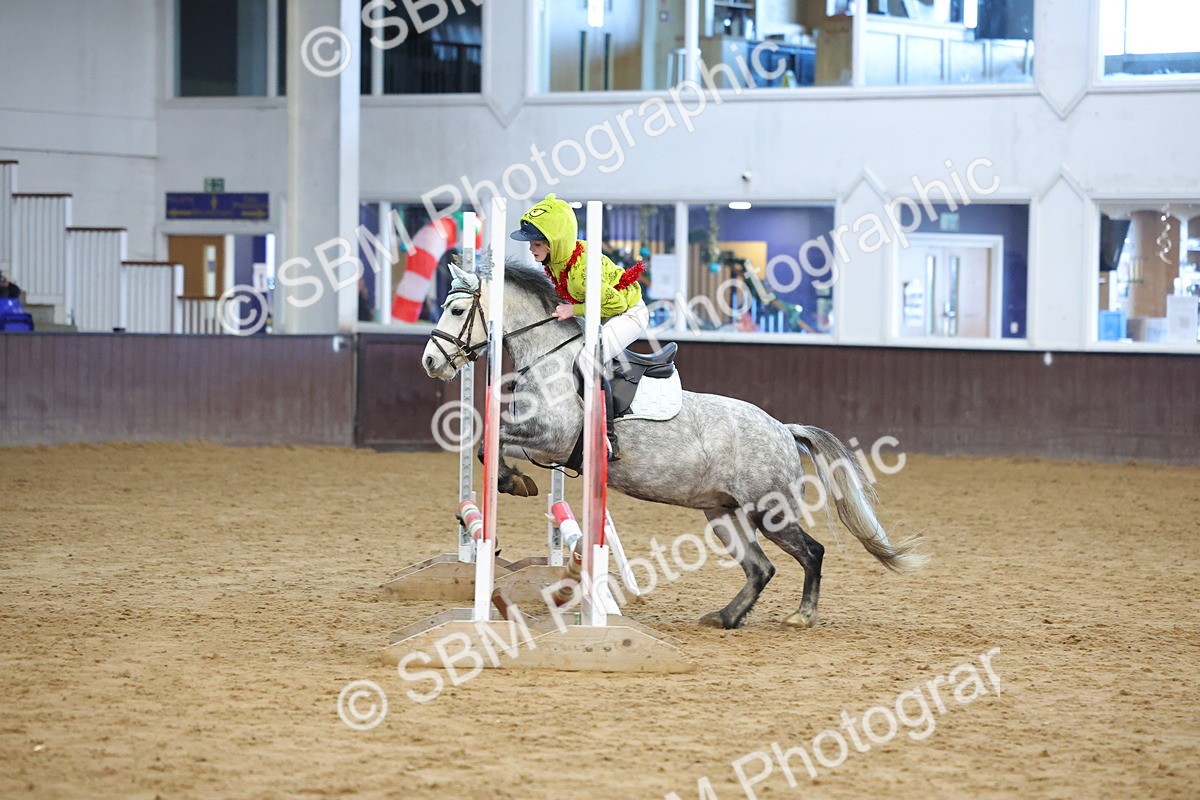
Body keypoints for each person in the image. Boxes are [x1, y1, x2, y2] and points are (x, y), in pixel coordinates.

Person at [510, 193, 649, 460]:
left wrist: (573, 310)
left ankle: (607, 436)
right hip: (601, 315)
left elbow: (616, 305)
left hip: (628, 314)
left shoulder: (580, 272)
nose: (531, 249)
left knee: (588, 360)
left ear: (554, 243)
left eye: (536, 243)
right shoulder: (558, 261)